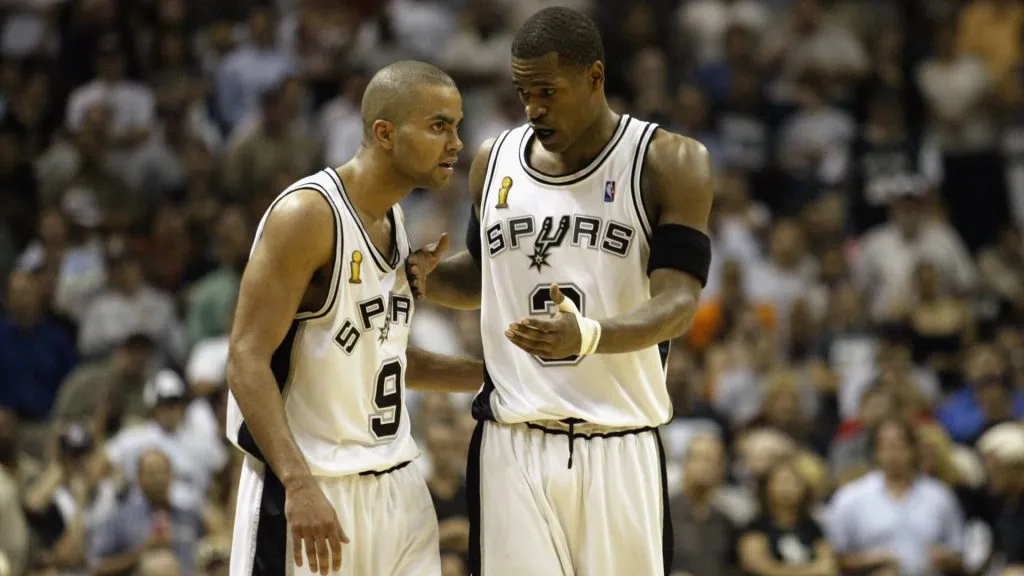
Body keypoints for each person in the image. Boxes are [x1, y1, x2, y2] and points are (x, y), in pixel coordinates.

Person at [407, 7, 714, 575]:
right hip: (512, 441)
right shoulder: (492, 160)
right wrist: (421, 277)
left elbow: (678, 305)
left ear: (595, 77)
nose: (533, 108)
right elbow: (483, 275)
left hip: (620, 438)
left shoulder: (669, 162)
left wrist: (588, 336)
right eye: (523, 92)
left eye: (547, 90)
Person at [225, 61, 482, 576]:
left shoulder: (396, 219)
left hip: (399, 485)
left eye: (456, 126)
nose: (456, 143)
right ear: (384, 133)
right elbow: (245, 360)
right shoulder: (307, 216)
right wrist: (298, 484)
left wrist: (493, 376)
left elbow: (383, 360)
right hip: (312, 488)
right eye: (438, 126)